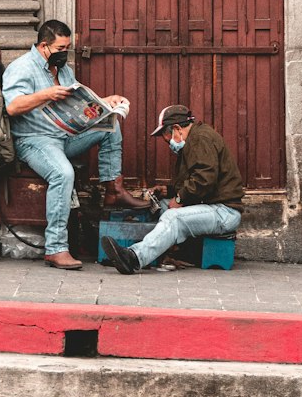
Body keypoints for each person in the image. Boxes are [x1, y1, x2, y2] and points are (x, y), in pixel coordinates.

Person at [2, 19, 147, 270]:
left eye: (67, 47)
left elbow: (77, 105)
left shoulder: (62, 68)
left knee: (111, 125)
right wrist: (44, 95)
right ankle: (56, 248)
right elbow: (13, 107)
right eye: (60, 48)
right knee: (63, 173)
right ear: (44, 46)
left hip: (63, 136)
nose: (64, 53)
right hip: (34, 140)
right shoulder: (22, 68)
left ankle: (113, 191)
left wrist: (104, 103)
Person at [101, 103, 243, 274]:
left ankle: (133, 258)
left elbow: (204, 180)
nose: (166, 141)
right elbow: (194, 181)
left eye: (165, 136)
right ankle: (158, 254)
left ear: (176, 128)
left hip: (224, 212)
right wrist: (168, 191)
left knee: (173, 217)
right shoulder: (194, 140)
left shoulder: (201, 138)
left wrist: (179, 199)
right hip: (212, 206)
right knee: (161, 206)